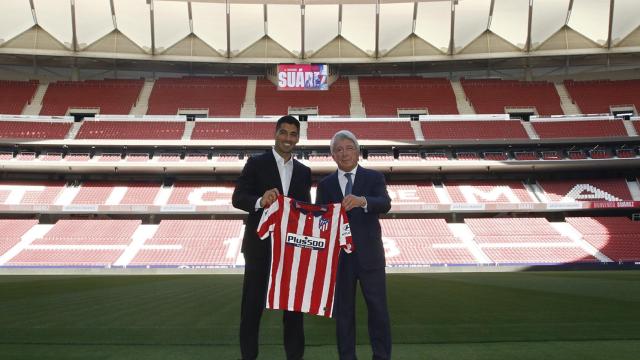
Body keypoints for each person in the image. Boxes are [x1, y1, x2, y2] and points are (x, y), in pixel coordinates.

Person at [232, 115, 312, 360]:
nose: (288, 138)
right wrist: (259, 201)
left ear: (298, 138)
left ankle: (295, 356)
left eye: (293, 134)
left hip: (292, 249)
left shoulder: (304, 171)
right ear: (275, 134)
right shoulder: (256, 163)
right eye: (284, 132)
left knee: (294, 312)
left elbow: (305, 209)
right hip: (260, 248)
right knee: (252, 309)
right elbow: (238, 198)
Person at [315, 130, 392, 360]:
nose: (344, 153)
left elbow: (385, 203)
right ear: (332, 156)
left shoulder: (374, 177)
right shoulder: (325, 185)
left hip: (370, 257)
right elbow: (321, 219)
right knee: (344, 315)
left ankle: (381, 356)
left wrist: (362, 201)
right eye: (338, 149)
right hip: (340, 260)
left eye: (349, 148)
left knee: (378, 311)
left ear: (358, 152)